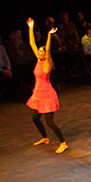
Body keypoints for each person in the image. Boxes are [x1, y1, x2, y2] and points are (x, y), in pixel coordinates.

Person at [25, 18, 67, 154]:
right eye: (39, 51)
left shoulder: (47, 64)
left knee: (50, 122)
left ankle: (63, 143)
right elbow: (31, 42)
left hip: (48, 94)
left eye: (41, 52)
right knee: (35, 118)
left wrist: (49, 35)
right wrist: (30, 27)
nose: (39, 53)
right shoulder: (38, 60)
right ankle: (45, 138)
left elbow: (48, 49)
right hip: (38, 94)